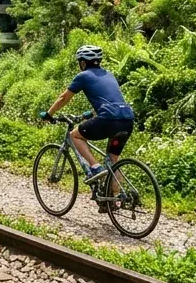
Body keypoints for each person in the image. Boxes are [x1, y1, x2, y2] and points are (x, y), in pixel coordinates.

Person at [39, 45, 134, 191]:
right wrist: (91, 114)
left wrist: (49, 114)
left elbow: (64, 97)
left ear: (83, 63)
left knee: (74, 136)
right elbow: (110, 100)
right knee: (113, 159)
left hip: (108, 120)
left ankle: (95, 167)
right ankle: (114, 200)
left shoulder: (83, 76)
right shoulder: (109, 74)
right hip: (127, 120)